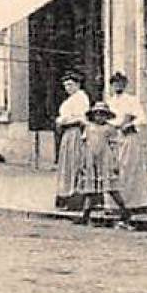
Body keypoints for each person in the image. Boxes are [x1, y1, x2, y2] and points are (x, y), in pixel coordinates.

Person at [77, 100, 135, 229]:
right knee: (90, 189)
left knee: (111, 188)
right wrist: (83, 161)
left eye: (102, 114)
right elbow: (84, 145)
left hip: (105, 158)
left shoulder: (110, 128)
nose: (99, 117)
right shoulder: (88, 128)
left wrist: (115, 162)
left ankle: (124, 211)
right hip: (91, 158)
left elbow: (114, 145)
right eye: (97, 114)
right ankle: (85, 215)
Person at [107, 72, 147, 213]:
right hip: (114, 139)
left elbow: (142, 119)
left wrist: (130, 124)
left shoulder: (132, 100)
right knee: (115, 171)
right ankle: (115, 204)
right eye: (114, 83)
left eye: (120, 83)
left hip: (129, 138)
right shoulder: (109, 102)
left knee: (130, 170)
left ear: (125, 85)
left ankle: (135, 203)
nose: (117, 86)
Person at [54, 71, 90, 211]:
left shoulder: (81, 98)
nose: (68, 88)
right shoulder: (69, 100)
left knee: (75, 163)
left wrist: (64, 120)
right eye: (65, 86)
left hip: (75, 132)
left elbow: (82, 118)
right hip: (67, 134)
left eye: (70, 85)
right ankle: (65, 195)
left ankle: (75, 197)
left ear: (77, 85)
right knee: (66, 164)